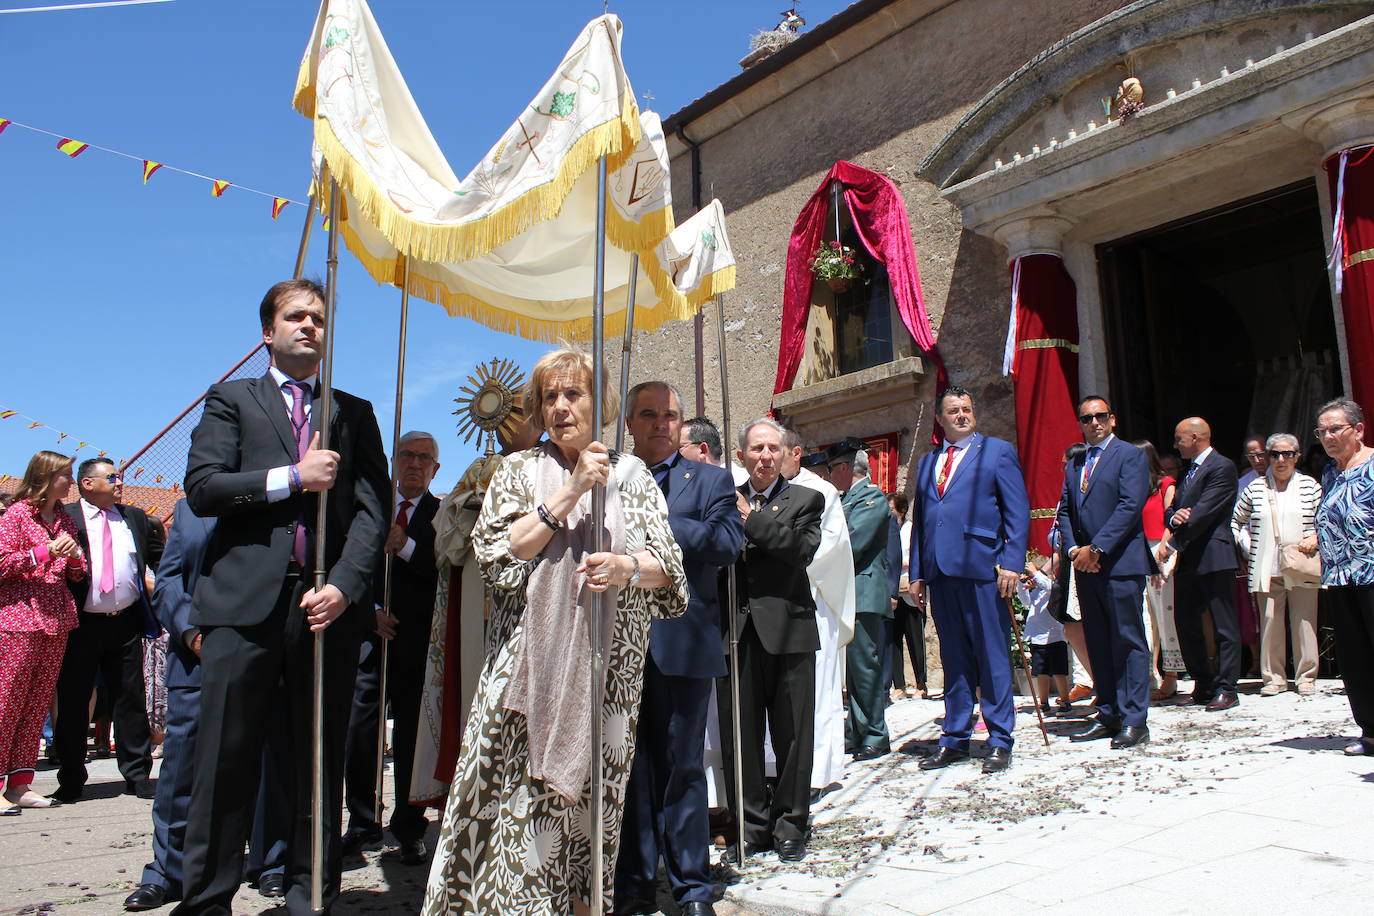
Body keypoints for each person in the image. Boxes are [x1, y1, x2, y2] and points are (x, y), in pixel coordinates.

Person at [422, 347, 687, 915]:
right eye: (550, 397)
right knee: (512, 808)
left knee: (593, 813)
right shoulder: (517, 471)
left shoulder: (634, 475)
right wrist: (568, 493)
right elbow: (496, 554)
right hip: (525, 670)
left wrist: (624, 568)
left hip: (608, 675)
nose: (561, 407)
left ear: (600, 402)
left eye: (574, 394)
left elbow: (670, 571)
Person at [173, 278, 390, 915]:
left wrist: (347, 588)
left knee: (316, 765)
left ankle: (309, 894)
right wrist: (291, 477)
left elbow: (373, 513)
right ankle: (207, 900)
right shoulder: (231, 400)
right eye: (296, 316)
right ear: (268, 331)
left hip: (325, 610)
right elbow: (203, 488)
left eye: (319, 318)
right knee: (224, 762)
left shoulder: (354, 412)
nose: (309, 326)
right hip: (243, 608)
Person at [615, 382, 742, 916]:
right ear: (629, 422)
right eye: (648, 415)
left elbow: (729, 543)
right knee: (629, 767)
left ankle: (691, 885)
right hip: (617, 643)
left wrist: (661, 523)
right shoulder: (608, 479)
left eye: (669, 415)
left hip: (684, 643)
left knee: (683, 766)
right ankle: (635, 883)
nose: (660, 424)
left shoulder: (710, 478)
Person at [411, 410, 539, 810]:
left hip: (532, 593)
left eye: (528, 415)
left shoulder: (548, 466)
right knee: (472, 692)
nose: (521, 423)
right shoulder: (478, 469)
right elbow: (445, 529)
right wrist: (473, 505)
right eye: (517, 414)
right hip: (476, 588)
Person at [909, 386, 1029, 774]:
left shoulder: (996, 452)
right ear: (940, 419)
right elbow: (922, 522)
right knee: (954, 656)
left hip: (982, 568)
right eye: (954, 411)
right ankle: (955, 735)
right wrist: (917, 573)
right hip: (941, 573)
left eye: (967, 409)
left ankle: (999, 738)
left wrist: (1012, 563)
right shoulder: (928, 463)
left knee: (991, 654)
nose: (962, 415)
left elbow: (1017, 511)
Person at [720, 418, 824, 863]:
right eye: (756, 449)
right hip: (737, 633)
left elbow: (796, 549)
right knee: (739, 737)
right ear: (741, 455)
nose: (764, 456)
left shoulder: (807, 499)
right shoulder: (723, 499)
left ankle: (791, 823)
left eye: (772, 449)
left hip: (789, 630)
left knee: (793, 734)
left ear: (784, 455)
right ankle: (751, 825)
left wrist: (750, 517)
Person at [341, 430, 443, 865]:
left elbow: (445, 571)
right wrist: (368, 612)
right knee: (359, 735)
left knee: (409, 741)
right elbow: (350, 566)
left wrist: (406, 546)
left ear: (436, 468)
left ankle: (409, 826)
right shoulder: (370, 509)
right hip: (368, 637)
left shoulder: (443, 514)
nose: (415, 464)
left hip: (414, 643)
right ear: (394, 462)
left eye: (424, 458)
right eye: (407, 456)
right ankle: (361, 822)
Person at [52, 457, 162, 802]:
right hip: (80, 625)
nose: (119, 482)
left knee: (130, 700)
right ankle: (70, 778)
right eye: (112, 477)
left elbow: (159, 559)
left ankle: (137, 775)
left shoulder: (134, 518)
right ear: (87, 484)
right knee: (73, 700)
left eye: (120, 476)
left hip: (126, 622)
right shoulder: (65, 517)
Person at [1057, 397, 1154, 750]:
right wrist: (1073, 551)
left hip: (1120, 563)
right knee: (1097, 640)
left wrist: (1097, 549)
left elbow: (1130, 506)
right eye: (1087, 418)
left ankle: (1134, 719)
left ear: (1112, 419)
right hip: (1085, 567)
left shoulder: (1130, 456)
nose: (1094, 423)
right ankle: (1109, 711)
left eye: (1100, 416)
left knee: (1128, 640)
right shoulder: (1076, 463)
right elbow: (1065, 510)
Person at [0, 451, 85, 813]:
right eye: (66, 475)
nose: (71, 481)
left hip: (56, 620)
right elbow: (3, 563)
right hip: (19, 618)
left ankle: (20, 783)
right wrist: (42, 551)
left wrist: (77, 557)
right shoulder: (17, 513)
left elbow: (76, 575)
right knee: (6, 702)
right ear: (47, 477)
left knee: (36, 704)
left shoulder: (64, 518)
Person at [779, 429, 854, 800]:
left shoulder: (820, 491)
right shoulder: (764, 488)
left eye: (776, 450)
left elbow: (829, 547)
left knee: (817, 690)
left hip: (812, 599)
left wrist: (783, 560)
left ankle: (816, 772)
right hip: (776, 603)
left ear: (795, 452)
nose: (769, 458)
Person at [1156, 417, 1241, 712]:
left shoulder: (1221, 467)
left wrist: (1172, 542)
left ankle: (1227, 688)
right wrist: (1175, 518)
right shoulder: (1188, 472)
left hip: (1214, 555)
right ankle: (1203, 682)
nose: (1176, 445)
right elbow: (1171, 509)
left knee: (1223, 625)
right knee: (1186, 621)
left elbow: (1205, 512)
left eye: (1179, 439)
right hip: (1191, 559)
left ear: (1195, 438)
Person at [1232, 433, 1322, 697]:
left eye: (1288, 454)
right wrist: (1248, 546)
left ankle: (1306, 677)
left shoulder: (1309, 486)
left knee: (1305, 621)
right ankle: (1273, 678)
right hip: (1266, 565)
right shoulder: (1255, 487)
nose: (1281, 460)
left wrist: (1314, 537)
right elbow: (1236, 521)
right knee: (1270, 622)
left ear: (1297, 456)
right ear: (1268, 457)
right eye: (1275, 454)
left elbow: (1324, 520)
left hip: (1301, 563)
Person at [1313, 398, 1374, 756]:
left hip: (1371, 573)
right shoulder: (1330, 473)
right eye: (1322, 431)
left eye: (1336, 429)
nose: (1328, 436)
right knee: (1354, 658)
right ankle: (1370, 730)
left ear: (1358, 430)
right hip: (1338, 576)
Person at [826, 438, 891, 761]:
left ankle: (876, 734)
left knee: (865, 666)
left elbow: (851, 542)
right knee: (852, 670)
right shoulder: (847, 499)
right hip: (849, 593)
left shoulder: (871, 498)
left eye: (831, 468)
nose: (828, 475)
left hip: (864, 592)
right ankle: (858, 728)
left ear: (845, 467)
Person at [1134, 440, 1185, 701]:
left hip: (1160, 550)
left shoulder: (1165, 484)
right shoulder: (1134, 488)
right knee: (1142, 616)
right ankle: (1147, 673)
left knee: (1164, 614)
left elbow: (1171, 518)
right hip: (1138, 551)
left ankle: (1172, 674)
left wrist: (1165, 547)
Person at [1017, 556, 1071, 715]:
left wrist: (1036, 574)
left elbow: (1049, 587)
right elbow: (1025, 601)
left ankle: (1065, 701)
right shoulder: (1035, 593)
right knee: (1041, 672)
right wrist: (1022, 584)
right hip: (1038, 639)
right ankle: (1043, 702)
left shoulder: (1053, 587)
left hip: (1055, 637)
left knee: (1059, 672)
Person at [888, 492, 926, 702]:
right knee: (894, 639)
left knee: (915, 638)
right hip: (894, 590)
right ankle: (899, 684)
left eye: (892, 510)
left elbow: (919, 555)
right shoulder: (887, 529)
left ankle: (921, 683)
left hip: (910, 589)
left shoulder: (912, 530)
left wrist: (900, 562)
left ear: (902, 511)